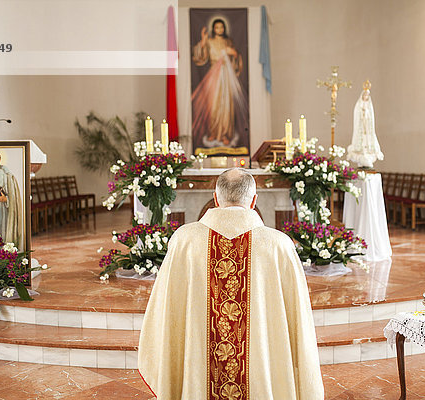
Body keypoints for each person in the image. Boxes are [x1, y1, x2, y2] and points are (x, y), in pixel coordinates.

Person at [138, 168, 324, 399]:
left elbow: (165, 314)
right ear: (254, 200)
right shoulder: (279, 245)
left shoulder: (184, 241)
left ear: (215, 199)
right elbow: (299, 322)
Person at [192, 18, 248, 148]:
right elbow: (200, 58)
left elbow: (236, 59)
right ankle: (213, 132)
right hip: (214, 75)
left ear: (224, 28)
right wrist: (203, 41)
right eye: (217, 27)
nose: (219, 30)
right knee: (213, 106)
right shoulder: (210, 42)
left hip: (227, 76)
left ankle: (224, 134)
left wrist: (233, 53)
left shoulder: (228, 42)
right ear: (213, 29)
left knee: (226, 106)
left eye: (221, 27)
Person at [346, 80, 384, 169]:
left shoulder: (369, 106)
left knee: (368, 140)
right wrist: (362, 113)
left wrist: (366, 114)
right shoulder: (359, 105)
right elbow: (357, 116)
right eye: (365, 95)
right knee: (360, 141)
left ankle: (367, 156)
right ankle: (361, 157)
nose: (366, 97)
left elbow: (371, 117)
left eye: (367, 95)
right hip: (361, 126)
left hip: (367, 126)